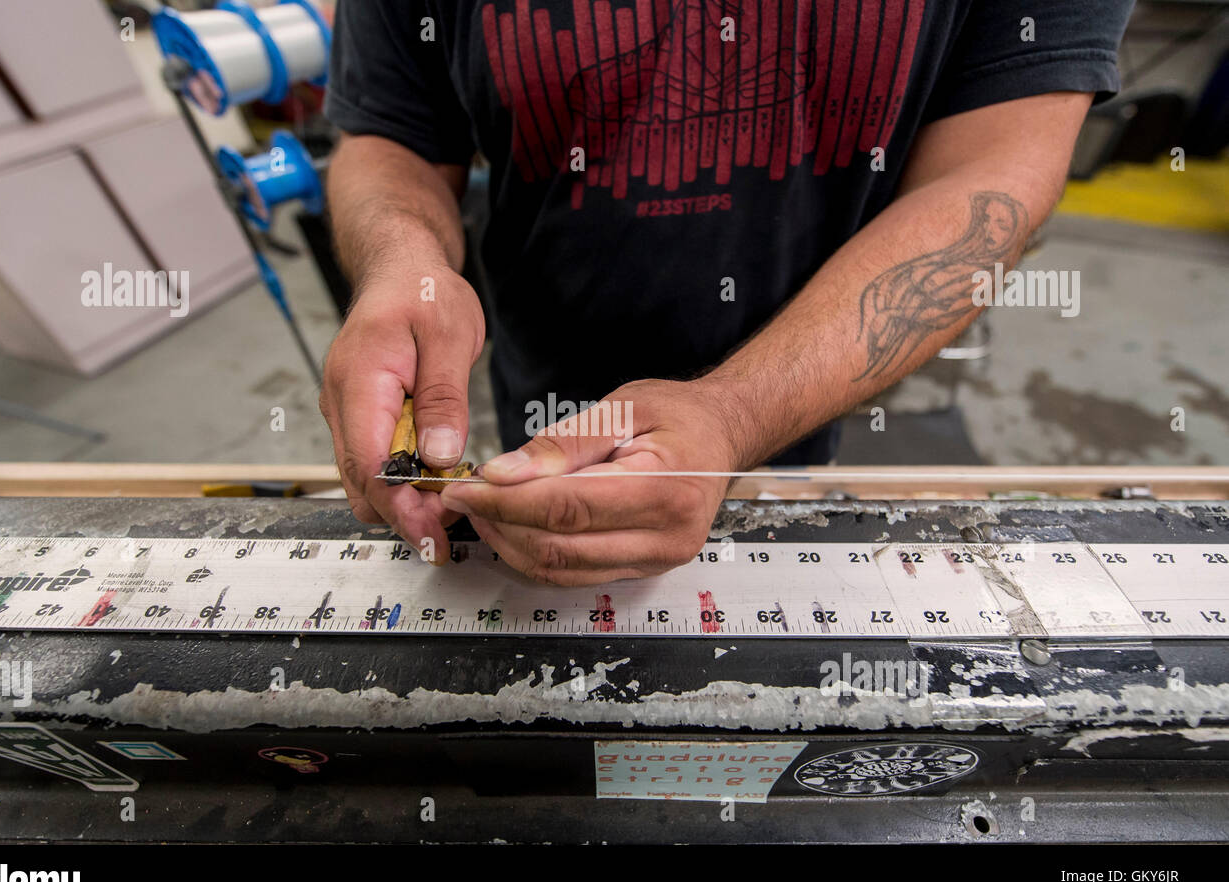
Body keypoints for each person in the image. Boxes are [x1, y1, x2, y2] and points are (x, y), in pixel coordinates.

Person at [318, 0, 1133, 584]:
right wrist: (404, 263)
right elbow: (394, 131)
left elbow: (993, 175)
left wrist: (738, 413)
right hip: (540, 392)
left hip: (802, 398)